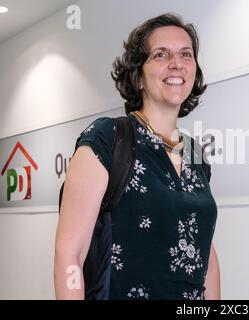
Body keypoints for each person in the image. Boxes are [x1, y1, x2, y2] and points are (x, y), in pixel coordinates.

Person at [54, 13, 220, 300]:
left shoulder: (195, 153)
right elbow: (70, 255)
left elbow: (205, 253)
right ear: (138, 76)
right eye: (160, 54)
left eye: (186, 54)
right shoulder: (108, 138)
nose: (176, 63)